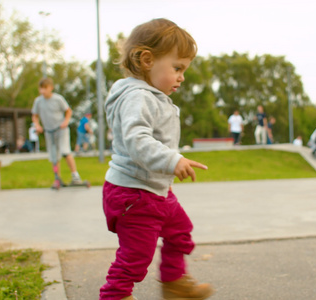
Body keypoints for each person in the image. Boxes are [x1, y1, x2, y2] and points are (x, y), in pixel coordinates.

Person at [100, 18, 214, 300]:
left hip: (154, 192)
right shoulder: (138, 97)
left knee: (180, 232)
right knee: (136, 258)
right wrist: (172, 160)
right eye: (177, 68)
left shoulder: (151, 96)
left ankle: (173, 281)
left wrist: (169, 163)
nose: (182, 77)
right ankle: (115, 295)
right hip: (134, 195)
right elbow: (136, 140)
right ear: (147, 60)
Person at [31, 77, 83, 187]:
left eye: (45, 88)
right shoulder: (38, 101)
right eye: (41, 89)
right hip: (49, 131)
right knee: (54, 156)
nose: (43, 91)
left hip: (61, 129)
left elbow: (68, 111)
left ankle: (75, 176)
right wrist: (37, 125)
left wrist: (66, 121)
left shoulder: (58, 99)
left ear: (51, 88)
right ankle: (57, 178)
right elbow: (35, 116)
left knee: (65, 152)